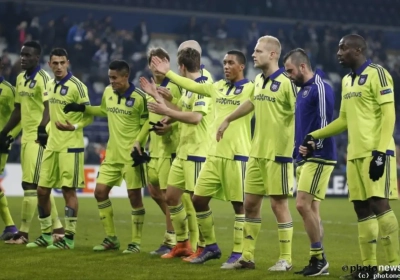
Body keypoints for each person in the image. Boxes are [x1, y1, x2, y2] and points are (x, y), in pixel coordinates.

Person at [300, 34, 400, 278]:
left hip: (377, 152)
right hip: (354, 155)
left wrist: (379, 153)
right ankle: (369, 267)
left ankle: (395, 267)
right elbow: (343, 120)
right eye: (338, 48)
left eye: (343, 48)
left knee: (379, 204)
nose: (338, 52)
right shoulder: (346, 80)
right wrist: (315, 134)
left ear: (358, 50)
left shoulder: (378, 73)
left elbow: (389, 115)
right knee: (361, 209)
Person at [150, 50, 252, 267]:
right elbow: (192, 86)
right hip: (214, 154)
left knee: (239, 205)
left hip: (237, 154)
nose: (225, 66)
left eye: (230, 62)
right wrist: (168, 75)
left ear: (241, 66)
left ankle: (238, 252)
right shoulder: (217, 87)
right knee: (198, 200)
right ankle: (210, 247)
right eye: (224, 62)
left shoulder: (251, 88)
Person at [218, 36, 297, 271]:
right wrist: (228, 119)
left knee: (278, 205)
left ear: (273, 54)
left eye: (258, 51)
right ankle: (247, 256)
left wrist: (300, 144)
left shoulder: (287, 82)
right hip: (256, 153)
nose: (254, 54)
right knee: (250, 204)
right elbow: (251, 102)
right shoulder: (259, 81)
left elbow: (300, 112)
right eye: (254, 50)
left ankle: (286, 259)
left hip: (279, 155)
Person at [64, 60, 149, 253]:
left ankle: (135, 242)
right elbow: (103, 110)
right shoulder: (108, 92)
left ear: (126, 76)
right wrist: (82, 108)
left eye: (115, 78)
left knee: (134, 197)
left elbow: (147, 123)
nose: (111, 81)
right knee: (100, 192)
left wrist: (139, 143)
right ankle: (111, 238)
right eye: (110, 77)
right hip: (112, 154)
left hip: (131, 156)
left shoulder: (140, 97)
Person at [140, 47, 213, 260]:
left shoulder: (202, 86)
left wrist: (166, 112)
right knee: (171, 197)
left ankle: (205, 246)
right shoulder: (189, 88)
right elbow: (179, 109)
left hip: (198, 150)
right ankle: (182, 244)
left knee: (197, 201)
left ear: (181, 66)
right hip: (183, 150)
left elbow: (195, 118)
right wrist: (157, 97)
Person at [25, 48, 92, 249]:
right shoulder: (50, 85)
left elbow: (89, 115)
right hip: (52, 146)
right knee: (42, 190)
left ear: (68, 63)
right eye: (55, 63)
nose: (59, 66)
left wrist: (75, 126)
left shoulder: (78, 87)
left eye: (62, 62)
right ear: (49, 65)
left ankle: (68, 239)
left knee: (67, 190)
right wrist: (43, 131)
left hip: (71, 147)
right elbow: (51, 113)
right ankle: (46, 235)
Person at [0, 41, 64, 245]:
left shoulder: (44, 78)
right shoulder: (20, 79)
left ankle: (24, 234)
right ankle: (58, 228)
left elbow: (49, 107)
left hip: (40, 138)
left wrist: (41, 128)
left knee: (30, 185)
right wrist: (4, 132)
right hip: (26, 138)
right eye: (22, 54)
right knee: (40, 185)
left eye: (28, 55)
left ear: (37, 58)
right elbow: (17, 110)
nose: (23, 58)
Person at [283, 48, 335, 276]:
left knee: (302, 205)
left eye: (290, 71)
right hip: (305, 157)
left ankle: (319, 258)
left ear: (302, 67)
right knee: (312, 209)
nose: (288, 75)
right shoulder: (303, 90)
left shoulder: (320, 87)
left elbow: (326, 122)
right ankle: (318, 260)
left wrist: (314, 145)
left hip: (319, 157)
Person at [133, 47, 182, 256]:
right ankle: (180, 228)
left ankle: (171, 239)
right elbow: (149, 120)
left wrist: (170, 127)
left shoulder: (175, 87)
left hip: (170, 147)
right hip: (154, 149)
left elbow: (184, 115)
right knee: (154, 193)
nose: (157, 65)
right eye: (153, 62)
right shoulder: (149, 89)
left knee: (167, 194)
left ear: (168, 62)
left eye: (162, 61)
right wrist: (139, 140)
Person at [0, 56, 20, 240]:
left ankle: (11, 227)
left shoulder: (8, 90)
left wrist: (10, 136)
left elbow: (21, 115)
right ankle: (11, 227)